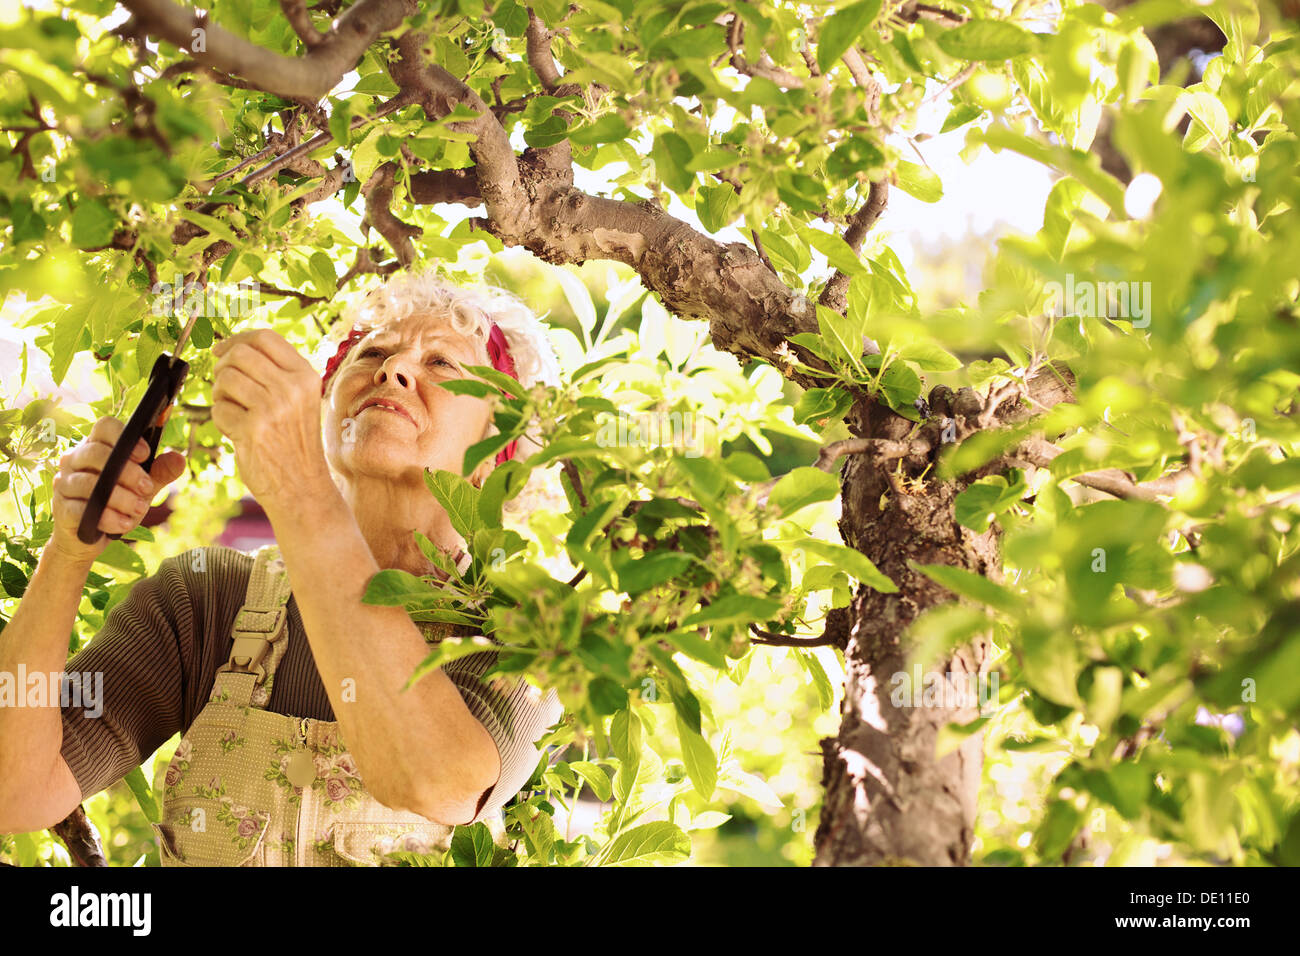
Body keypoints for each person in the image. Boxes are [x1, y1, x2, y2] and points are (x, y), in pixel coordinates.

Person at [0, 270, 565, 865]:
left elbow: (437, 780)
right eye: (372, 352)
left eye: (442, 363)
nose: (392, 370)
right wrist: (66, 555)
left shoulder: (528, 626)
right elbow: (14, 789)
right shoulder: (208, 598)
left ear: (498, 443)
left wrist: (300, 490)